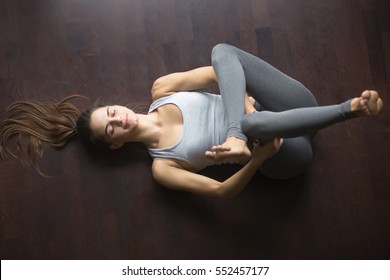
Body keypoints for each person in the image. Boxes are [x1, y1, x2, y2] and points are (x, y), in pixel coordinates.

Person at [0, 44, 383, 198]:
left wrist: (244, 106)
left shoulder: (162, 88)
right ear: (114, 143)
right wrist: (258, 160)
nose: (117, 120)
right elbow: (220, 194)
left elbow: (222, 69)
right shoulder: (163, 167)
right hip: (286, 154)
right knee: (251, 129)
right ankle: (349, 110)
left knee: (221, 51)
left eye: (111, 112)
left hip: (289, 103)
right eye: (110, 129)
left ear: (116, 105)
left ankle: (240, 130)